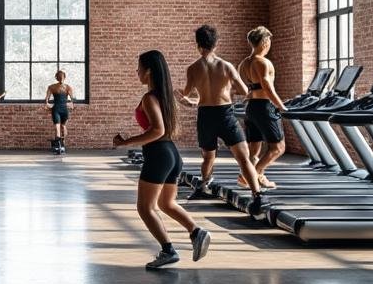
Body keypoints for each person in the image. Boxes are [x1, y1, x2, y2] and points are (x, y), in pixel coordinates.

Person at [113, 50, 210, 269]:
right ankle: (197, 232)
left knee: (145, 208)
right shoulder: (163, 95)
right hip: (172, 154)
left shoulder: (149, 98)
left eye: (139, 67)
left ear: (148, 71)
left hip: (158, 155)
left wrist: (126, 142)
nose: (136, 71)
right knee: (166, 203)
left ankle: (168, 251)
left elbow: (157, 130)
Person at [177, 24, 264, 205]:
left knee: (208, 157)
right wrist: (227, 90)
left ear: (198, 45)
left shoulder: (192, 68)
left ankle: (202, 187)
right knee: (243, 157)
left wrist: (188, 99)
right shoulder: (226, 66)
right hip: (225, 115)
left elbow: (185, 96)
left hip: (205, 115)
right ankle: (257, 195)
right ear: (216, 44)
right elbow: (244, 90)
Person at [237, 26, 286, 190]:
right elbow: (267, 87)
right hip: (265, 107)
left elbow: (250, 89)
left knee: (254, 150)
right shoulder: (263, 62)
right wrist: (281, 105)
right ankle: (251, 175)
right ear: (265, 41)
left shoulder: (244, 64)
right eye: (269, 40)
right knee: (278, 147)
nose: (270, 43)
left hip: (252, 108)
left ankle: (257, 177)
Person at [44, 70, 75, 153]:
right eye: (59, 77)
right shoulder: (52, 87)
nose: (61, 79)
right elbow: (47, 97)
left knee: (63, 126)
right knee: (57, 127)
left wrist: (72, 104)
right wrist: (46, 104)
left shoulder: (68, 87)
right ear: (56, 78)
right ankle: (58, 145)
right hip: (56, 109)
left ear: (64, 77)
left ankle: (62, 143)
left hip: (64, 109)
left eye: (62, 77)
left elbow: (73, 99)